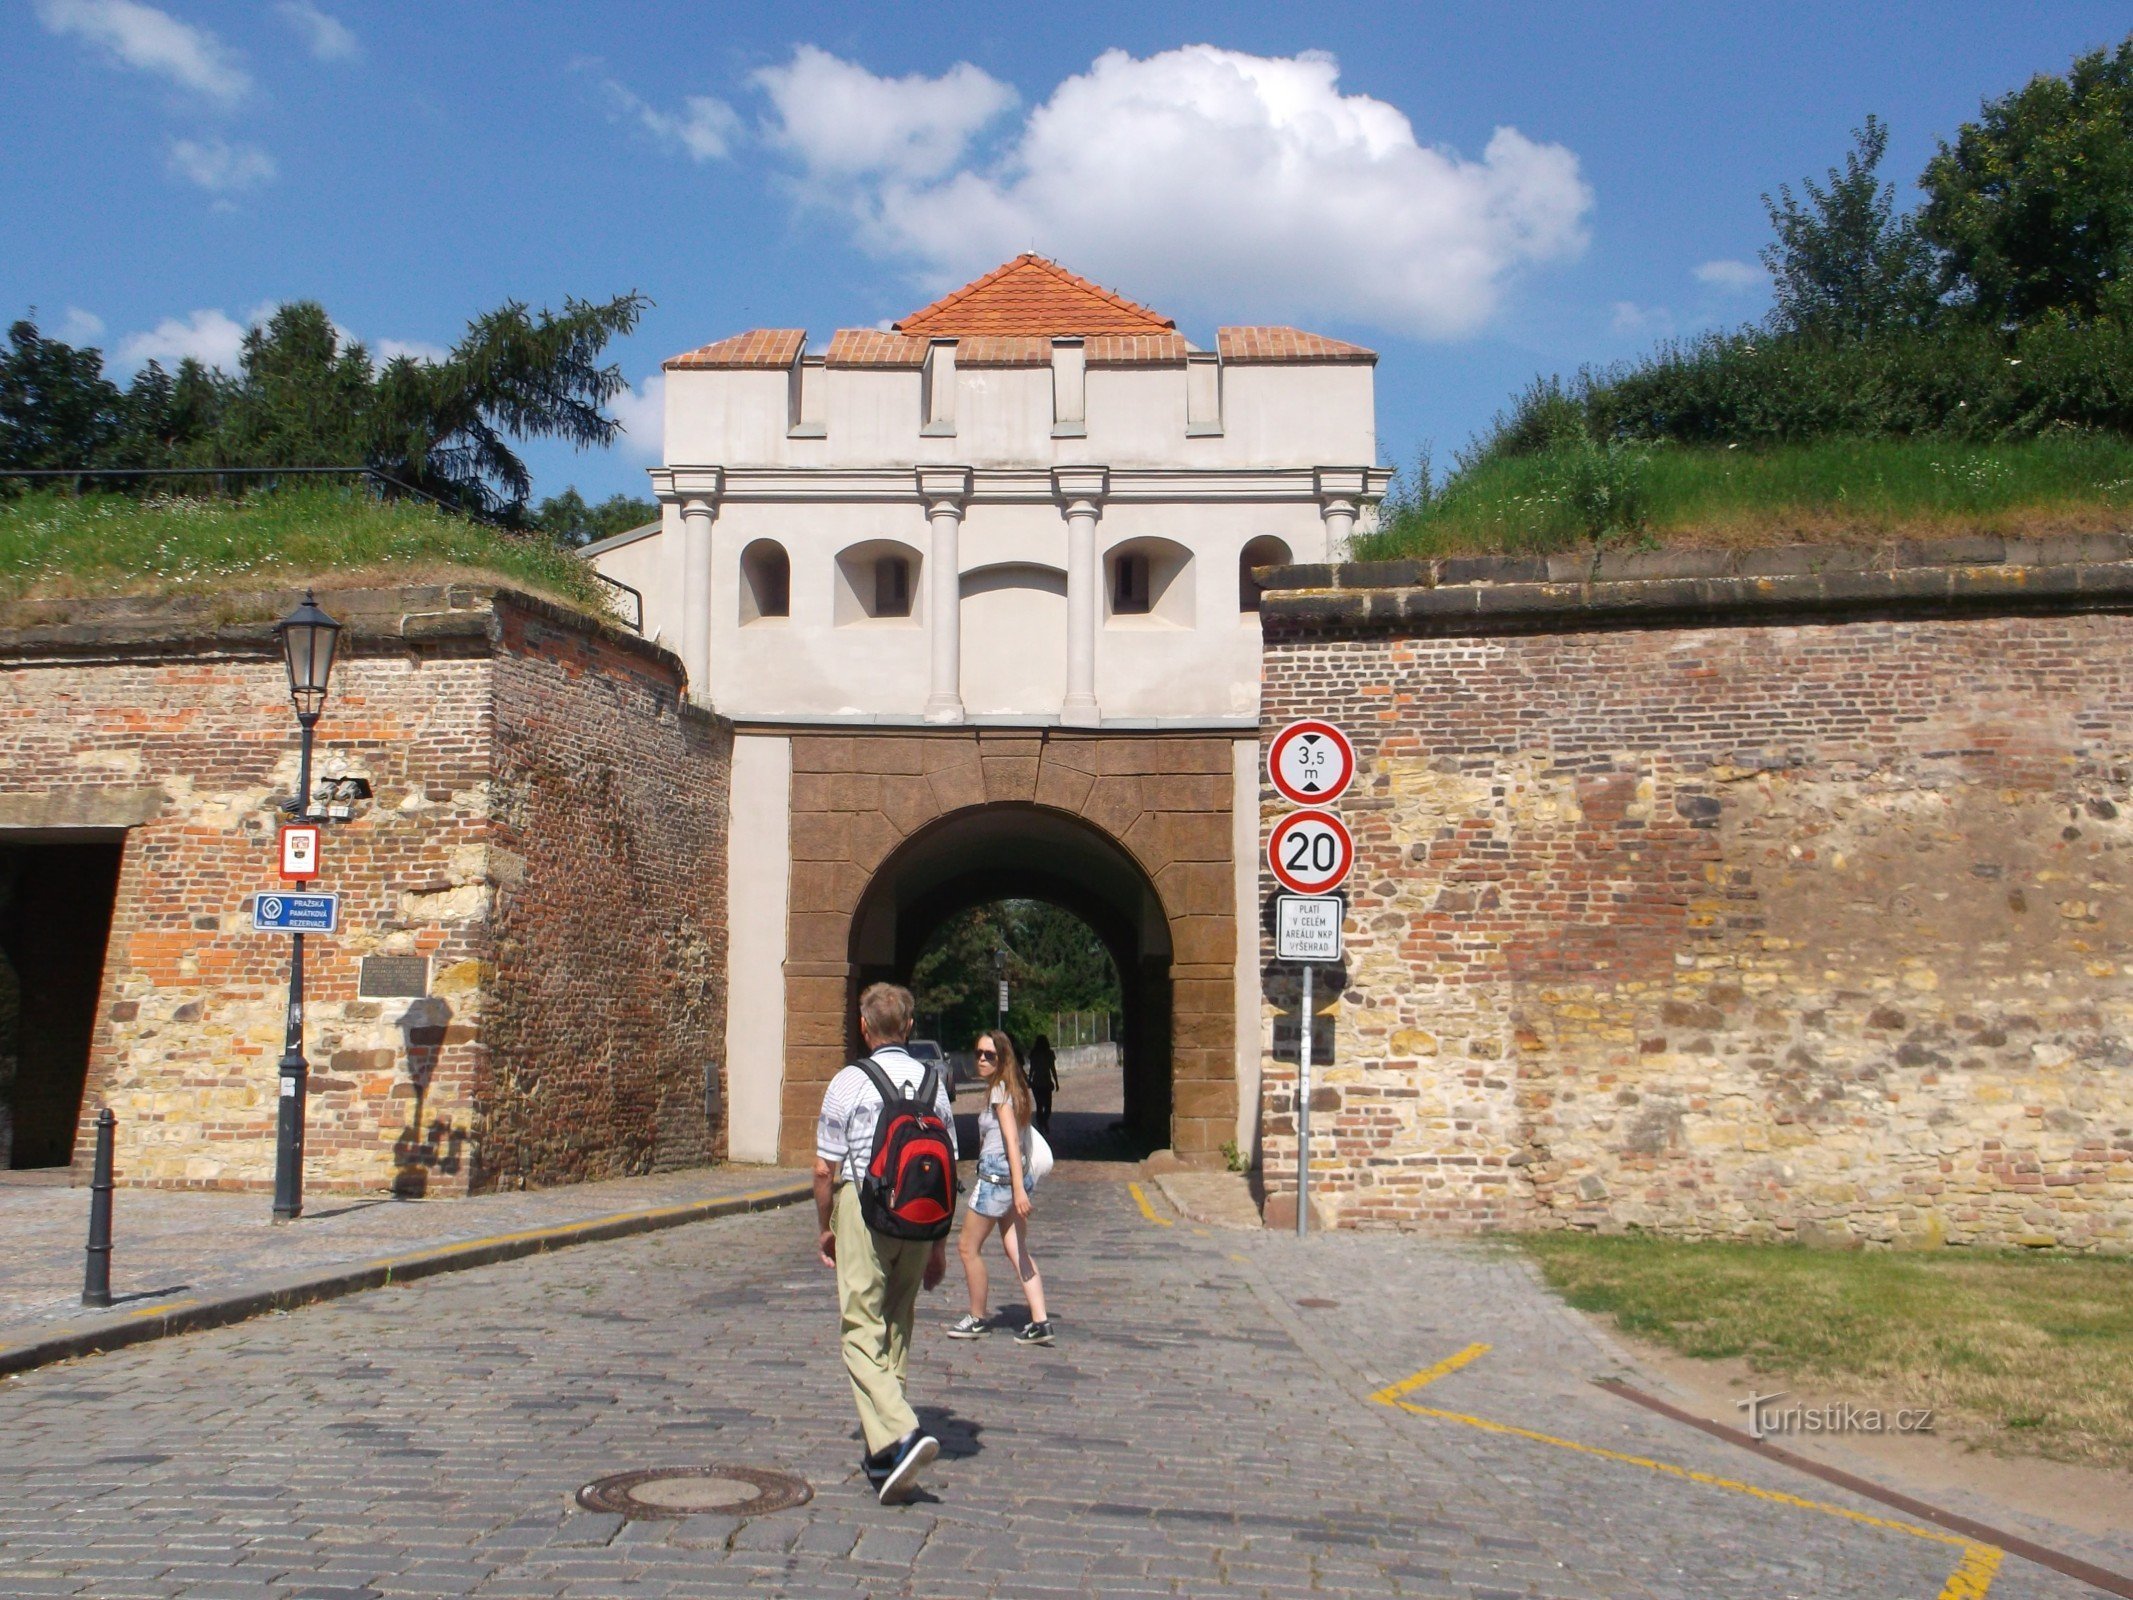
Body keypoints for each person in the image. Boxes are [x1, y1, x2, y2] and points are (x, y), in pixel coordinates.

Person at [815, 981, 955, 1503]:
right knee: (897, 1323)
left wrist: (824, 1225)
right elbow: (945, 1164)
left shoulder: (849, 1081)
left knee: (859, 1327)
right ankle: (885, 1456)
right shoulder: (932, 1082)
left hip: (865, 1209)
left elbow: (823, 1169)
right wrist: (940, 1243)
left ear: (863, 1027)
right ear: (910, 1028)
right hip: (920, 1217)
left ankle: (902, 1427)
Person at [943, 1029, 1055, 1346]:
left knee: (967, 1248)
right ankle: (1041, 1321)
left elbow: (1010, 1141)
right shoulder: (1013, 1089)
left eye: (988, 1055)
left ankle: (977, 1318)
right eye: (978, 1053)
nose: (981, 1059)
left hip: (997, 1181)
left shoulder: (999, 1092)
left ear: (1002, 1058)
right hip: (1008, 1180)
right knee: (1016, 1249)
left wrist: (1018, 1190)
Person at [1026, 1033, 1058, 1136]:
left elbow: (1032, 1069)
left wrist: (1029, 1080)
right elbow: (1052, 1069)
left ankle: (1041, 1124)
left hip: (1037, 1082)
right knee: (1048, 1106)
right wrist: (1056, 1082)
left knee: (1040, 1105)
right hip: (1046, 1081)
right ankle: (1043, 1122)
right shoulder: (1049, 1053)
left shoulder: (1034, 1053)